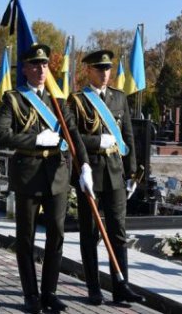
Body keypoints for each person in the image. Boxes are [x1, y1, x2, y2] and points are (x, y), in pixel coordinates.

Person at [0, 44, 92, 314]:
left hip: (57, 176)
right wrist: (34, 139)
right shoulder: (13, 99)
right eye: (35, 65)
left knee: (56, 236)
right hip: (28, 175)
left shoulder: (58, 101)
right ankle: (30, 295)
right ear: (25, 69)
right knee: (25, 238)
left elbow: (73, 135)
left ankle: (49, 292)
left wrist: (84, 166)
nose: (40, 70)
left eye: (45, 65)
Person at [68, 50, 144, 306]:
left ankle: (121, 287)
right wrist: (96, 142)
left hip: (115, 173)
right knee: (89, 233)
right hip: (90, 173)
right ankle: (93, 288)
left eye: (107, 69)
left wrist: (132, 172)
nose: (104, 74)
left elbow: (128, 136)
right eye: (99, 69)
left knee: (118, 233)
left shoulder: (119, 98)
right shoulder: (77, 100)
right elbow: (73, 138)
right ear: (88, 70)